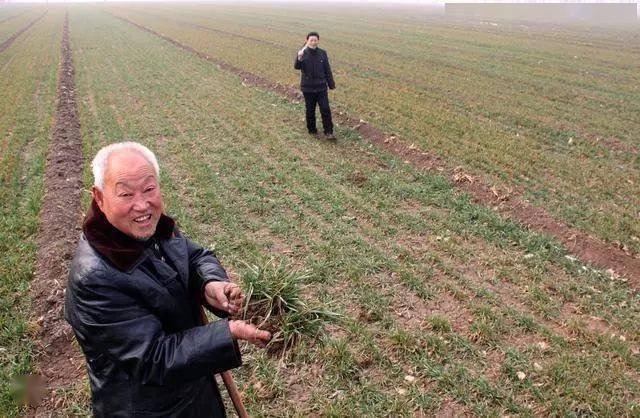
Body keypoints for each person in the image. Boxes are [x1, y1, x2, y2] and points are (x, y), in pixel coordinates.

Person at [64, 142, 271, 417]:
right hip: (151, 409)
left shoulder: (154, 228)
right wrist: (227, 332)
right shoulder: (94, 279)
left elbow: (194, 256)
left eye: (149, 189)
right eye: (126, 194)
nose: (141, 205)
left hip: (191, 388)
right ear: (99, 198)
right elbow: (153, 358)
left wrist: (209, 283)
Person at [294, 31, 336, 140]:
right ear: (307, 41)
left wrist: (331, 84)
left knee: (325, 109)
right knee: (310, 110)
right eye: (311, 40)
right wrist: (299, 57)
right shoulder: (302, 53)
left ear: (318, 41)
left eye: (315, 40)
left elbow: (327, 69)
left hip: (321, 87)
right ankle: (312, 130)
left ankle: (329, 132)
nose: (313, 42)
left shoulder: (322, 53)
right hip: (308, 88)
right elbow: (297, 67)